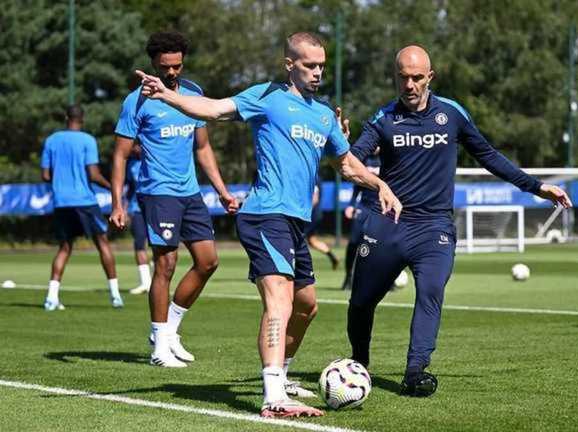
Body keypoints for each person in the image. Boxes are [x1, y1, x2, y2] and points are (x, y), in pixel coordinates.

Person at [134, 32, 401, 417]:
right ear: (289, 64)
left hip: (295, 221)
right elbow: (212, 109)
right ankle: (274, 395)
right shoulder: (266, 97)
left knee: (307, 306)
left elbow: (346, 164)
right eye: (309, 65)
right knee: (280, 300)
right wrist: (167, 94)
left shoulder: (323, 114)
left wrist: (379, 183)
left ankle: (284, 375)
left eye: (322, 66)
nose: (317, 73)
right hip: (264, 214)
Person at [347, 45, 572, 397]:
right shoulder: (383, 119)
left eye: (417, 77)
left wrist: (536, 187)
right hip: (386, 223)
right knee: (361, 303)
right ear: (394, 77)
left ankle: (415, 371)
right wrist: (340, 146)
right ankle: (358, 365)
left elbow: (489, 156)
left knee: (431, 293)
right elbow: (352, 161)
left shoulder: (451, 114)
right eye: (403, 77)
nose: (409, 84)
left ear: (430, 77)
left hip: (433, 227)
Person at [110, 31, 239, 368]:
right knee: (165, 265)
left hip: (190, 192)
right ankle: (158, 348)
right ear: (153, 63)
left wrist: (222, 191)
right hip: (157, 193)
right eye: (165, 66)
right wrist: (117, 203)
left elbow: (203, 148)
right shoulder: (136, 101)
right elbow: (120, 155)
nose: (171, 72)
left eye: (177, 66)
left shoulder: (193, 94)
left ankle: (170, 332)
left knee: (208, 261)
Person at [40, 105, 124, 311]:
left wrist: (61, 183)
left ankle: (51, 298)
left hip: (61, 202)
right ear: (82, 119)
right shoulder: (87, 140)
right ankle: (115, 296)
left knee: (64, 248)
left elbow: (45, 175)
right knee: (102, 244)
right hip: (85, 201)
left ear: (66, 117)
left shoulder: (51, 140)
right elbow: (93, 174)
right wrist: (112, 187)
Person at [341, 153, 381, 291]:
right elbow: (357, 185)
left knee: (381, 245)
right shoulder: (363, 159)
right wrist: (351, 204)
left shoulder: (388, 157)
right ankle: (348, 277)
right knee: (353, 242)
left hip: (381, 207)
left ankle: (386, 279)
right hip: (364, 206)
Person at [125, 144, 152, 295]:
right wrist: (124, 207)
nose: (134, 149)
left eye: (137, 145)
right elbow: (130, 188)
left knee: (158, 244)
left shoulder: (153, 158)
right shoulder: (131, 164)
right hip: (136, 209)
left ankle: (158, 280)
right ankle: (145, 283)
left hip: (155, 207)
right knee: (139, 244)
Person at [303, 175, 340, 270]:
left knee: (297, 239)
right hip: (316, 214)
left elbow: (314, 198)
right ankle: (332, 257)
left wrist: (304, 212)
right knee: (312, 240)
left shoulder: (312, 176)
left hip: (311, 215)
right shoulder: (316, 177)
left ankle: (302, 267)